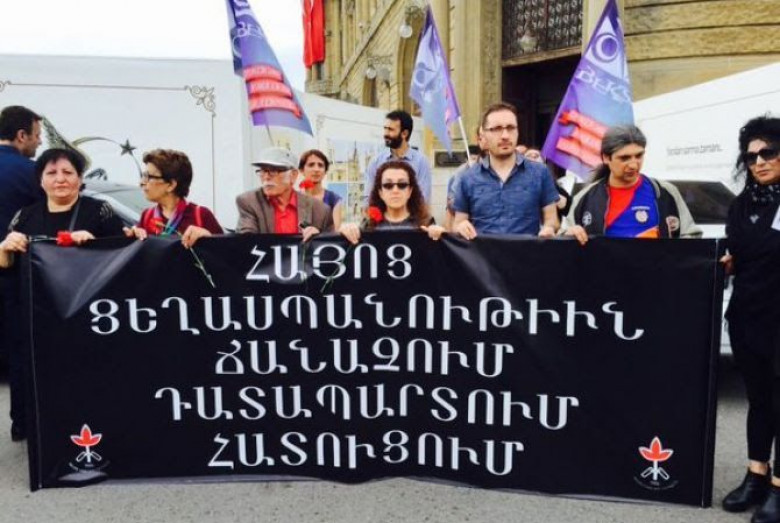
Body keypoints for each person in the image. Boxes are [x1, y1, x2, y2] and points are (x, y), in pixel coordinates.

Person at [0, 147, 124, 441]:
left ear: (80, 178)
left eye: (68, 172)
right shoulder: (25, 216)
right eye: (52, 173)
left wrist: (93, 246)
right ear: (40, 180)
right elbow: (6, 267)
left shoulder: (99, 211)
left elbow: (121, 257)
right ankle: (29, 425)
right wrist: (4, 248)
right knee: (32, 371)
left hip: (87, 314)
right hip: (36, 315)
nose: (60, 179)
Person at [720, 116, 780, 523]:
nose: (759, 162)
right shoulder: (742, 204)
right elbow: (736, 251)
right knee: (759, 400)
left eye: (768, 153)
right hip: (747, 317)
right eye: (751, 156)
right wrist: (727, 260)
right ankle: (756, 474)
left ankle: (778, 487)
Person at [565, 125, 701, 244]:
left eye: (639, 156)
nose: (633, 165)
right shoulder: (585, 198)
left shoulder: (665, 192)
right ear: (606, 158)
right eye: (625, 158)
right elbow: (563, 242)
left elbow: (692, 238)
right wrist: (569, 235)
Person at [452, 102, 560, 239]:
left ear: (517, 131)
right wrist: (461, 226)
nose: (505, 135)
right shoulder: (467, 178)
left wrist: (549, 228)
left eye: (510, 128)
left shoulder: (540, 173)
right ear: (483, 135)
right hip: (482, 253)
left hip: (527, 251)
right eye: (497, 129)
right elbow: (458, 223)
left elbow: (552, 220)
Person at [0, 106, 43, 406]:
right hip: (16, 274)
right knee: (21, 352)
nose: (39, 142)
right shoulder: (32, 173)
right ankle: (22, 421)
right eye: (37, 135)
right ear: (21, 135)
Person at [125, 149, 222, 248]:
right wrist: (132, 240)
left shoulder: (201, 215)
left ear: (171, 185)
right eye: (143, 176)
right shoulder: (147, 216)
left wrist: (208, 237)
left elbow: (226, 253)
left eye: (148, 177)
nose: (141, 182)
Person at [236, 147, 333, 240]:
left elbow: (331, 245)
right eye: (263, 171)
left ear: (293, 175)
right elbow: (246, 240)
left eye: (273, 171)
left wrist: (319, 238)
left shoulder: (320, 210)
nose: (266, 177)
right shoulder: (249, 202)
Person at [340, 160, 444, 244]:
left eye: (402, 185)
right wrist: (345, 233)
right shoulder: (369, 225)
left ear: (410, 191)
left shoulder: (426, 223)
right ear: (380, 192)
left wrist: (442, 235)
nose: (395, 190)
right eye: (388, 185)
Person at [363, 110, 433, 203]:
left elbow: (423, 200)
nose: (385, 134)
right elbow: (368, 198)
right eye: (385, 128)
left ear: (404, 134)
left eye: (390, 129)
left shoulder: (421, 162)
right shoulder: (376, 161)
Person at [298, 149, 343, 229]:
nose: (316, 169)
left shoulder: (333, 199)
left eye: (320, 165)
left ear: (325, 171)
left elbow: (336, 231)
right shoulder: (294, 198)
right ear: (302, 170)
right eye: (311, 165)